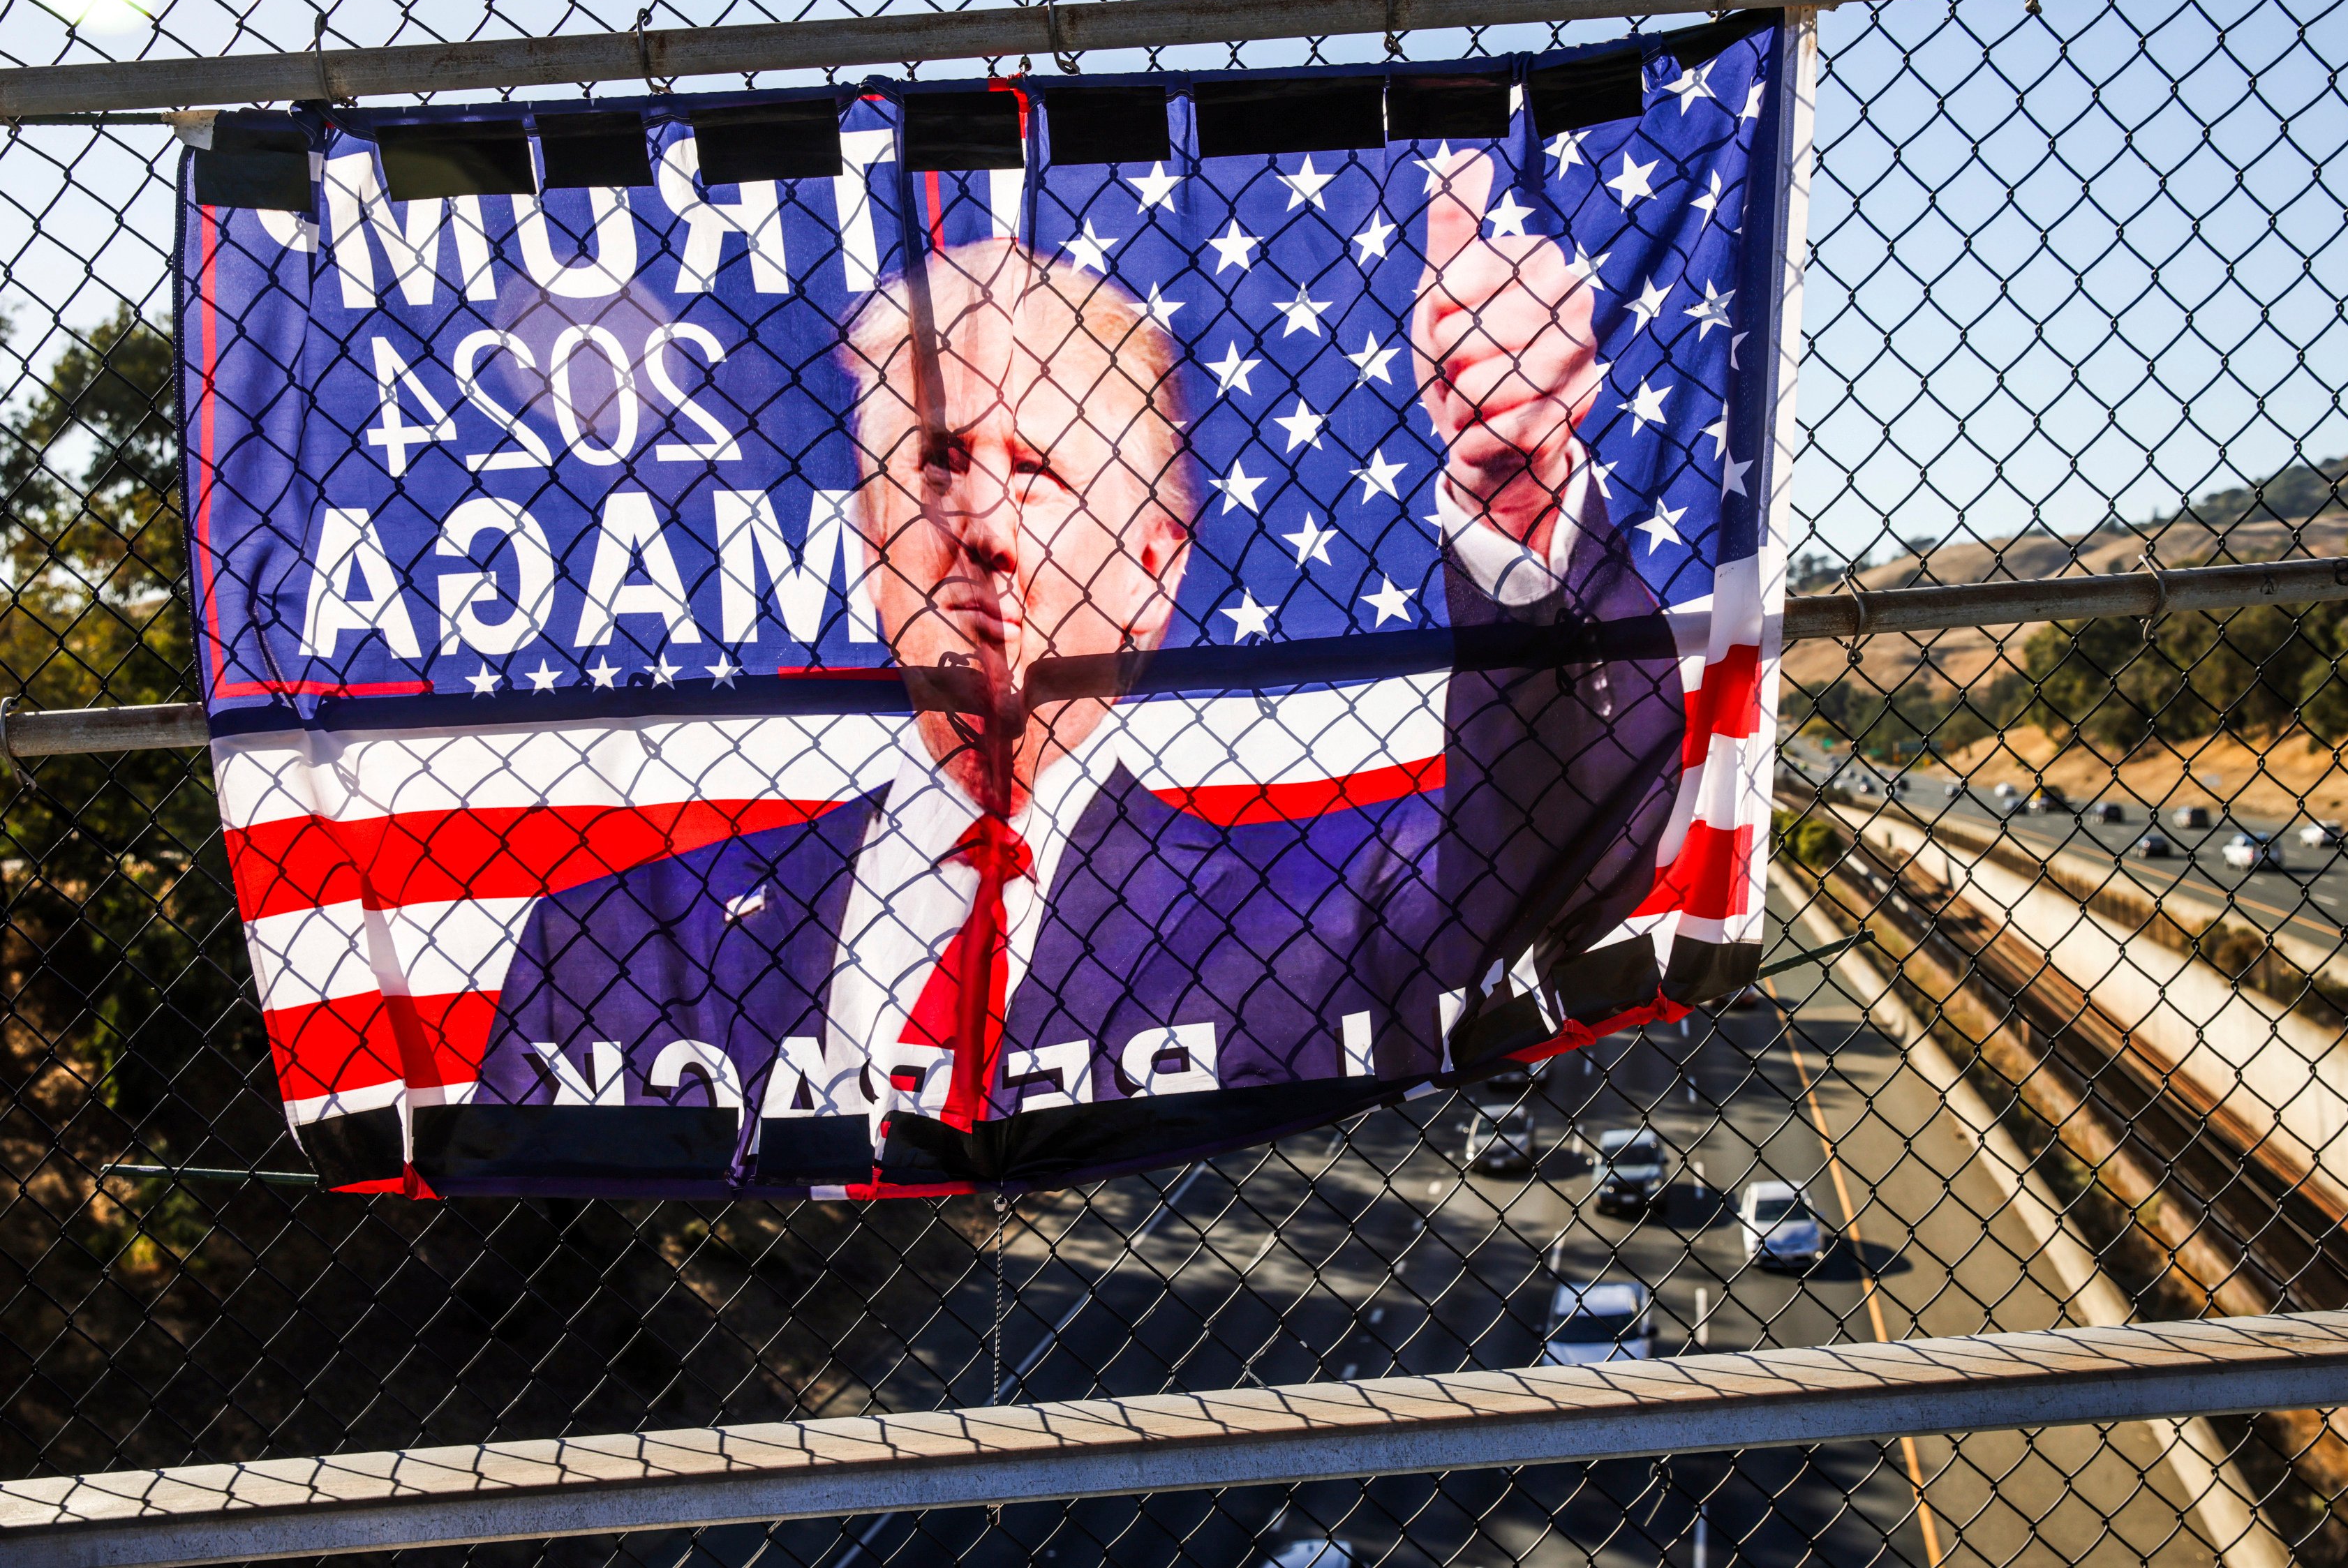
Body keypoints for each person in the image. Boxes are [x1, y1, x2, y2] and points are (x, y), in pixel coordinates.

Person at [463, 151, 1686, 1190]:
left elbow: (1548, 827)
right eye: (937, 459)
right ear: (867, 523)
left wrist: (1517, 499)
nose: (979, 521)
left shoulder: (1329, 895)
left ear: (1157, 565)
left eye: (1037, 469)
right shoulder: (614, 931)